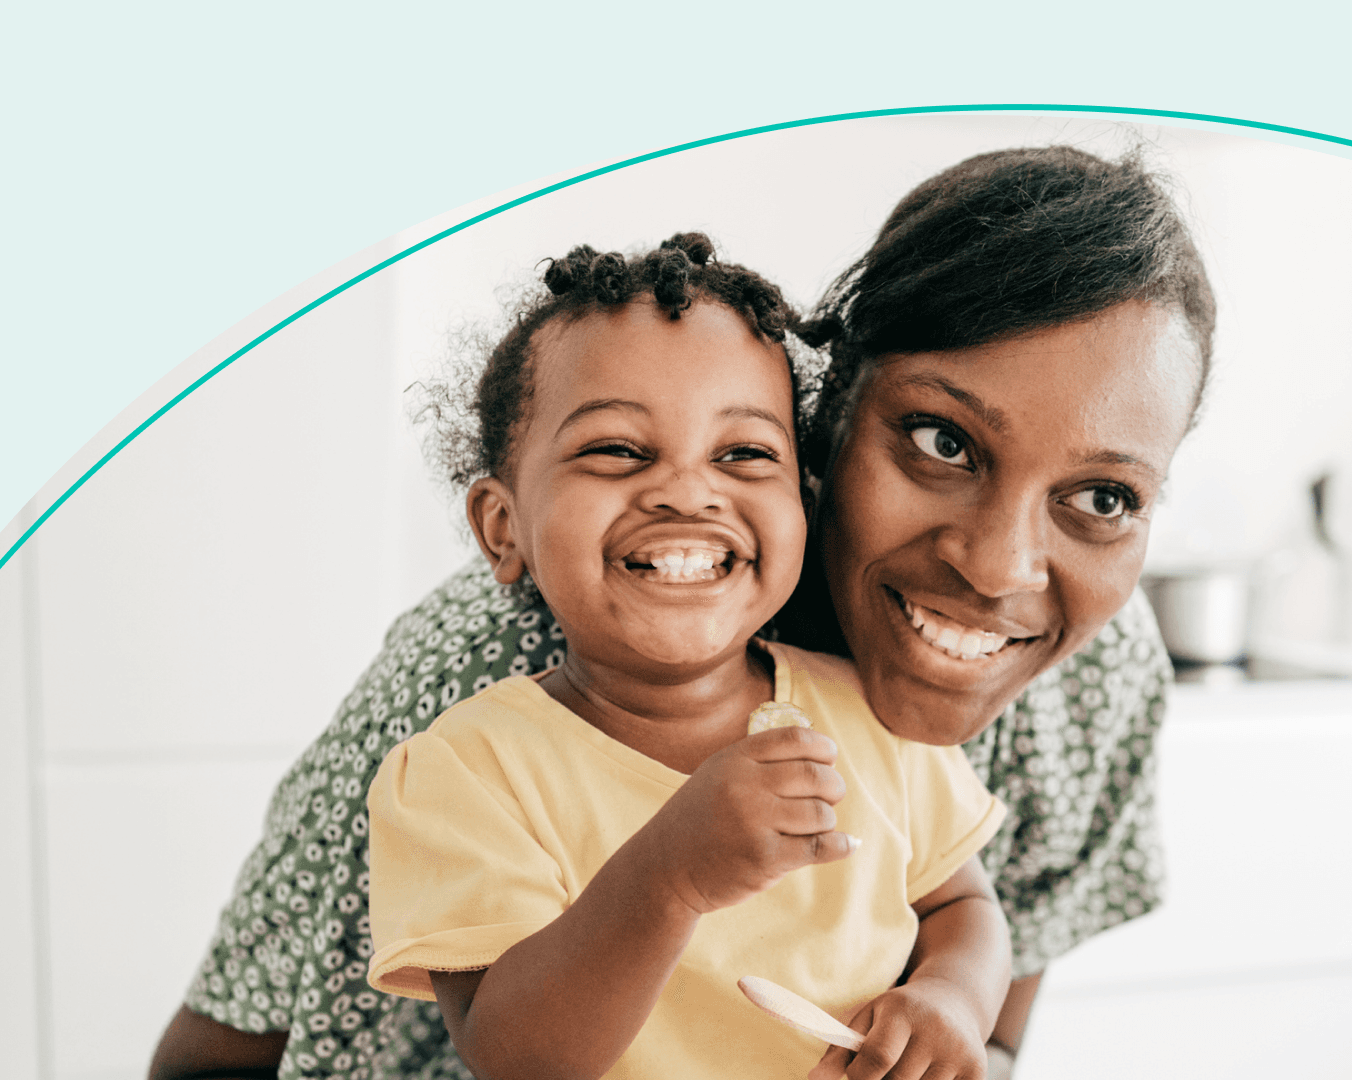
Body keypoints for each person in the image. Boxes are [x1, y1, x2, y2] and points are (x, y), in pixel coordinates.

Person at [150, 143, 1217, 1080]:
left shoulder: (1097, 686)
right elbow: (224, 1059)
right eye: (942, 440)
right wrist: (665, 876)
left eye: (1104, 496)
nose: (997, 568)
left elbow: (987, 1015)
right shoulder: (488, 681)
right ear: (829, 406)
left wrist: (946, 1031)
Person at [364, 232, 1012, 1080]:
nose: (687, 490)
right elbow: (517, 1060)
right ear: (503, 527)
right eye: (617, 451)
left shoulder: (865, 716)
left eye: (743, 454)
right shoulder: (464, 773)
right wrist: (672, 878)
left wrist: (951, 1000)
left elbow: (965, 905)